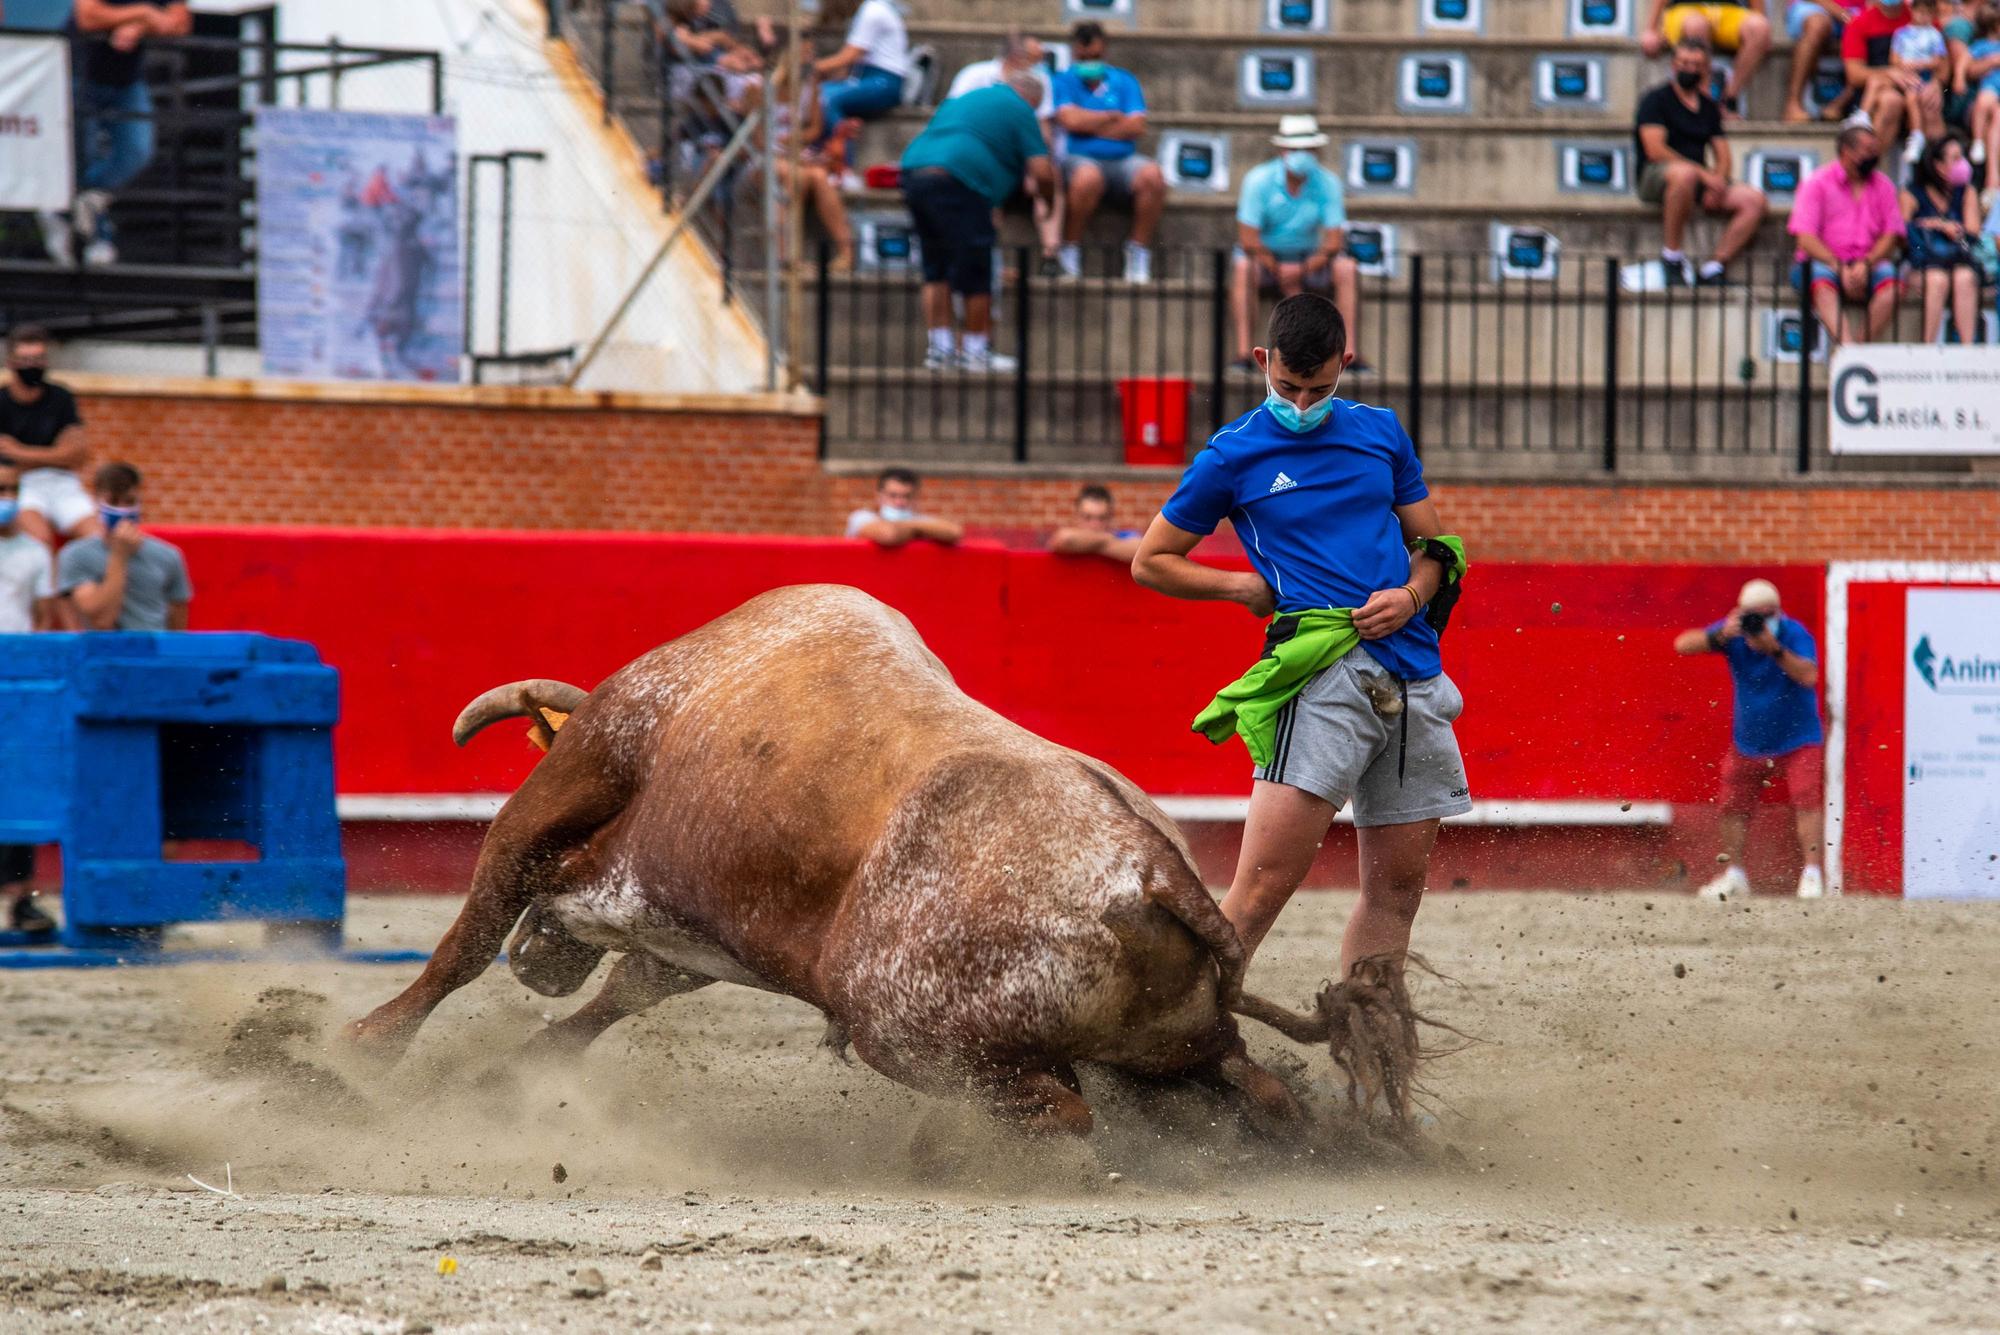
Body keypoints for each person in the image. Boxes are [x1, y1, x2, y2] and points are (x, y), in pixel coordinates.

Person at [1130, 293, 1471, 996]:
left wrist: (1411, 594)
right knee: (1258, 892)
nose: (1303, 401)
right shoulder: (1233, 452)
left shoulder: (1381, 431)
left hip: (1412, 679)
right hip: (1323, 676)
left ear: (1346, 364)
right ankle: (1177, 1051)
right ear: (1263, 363)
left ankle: (1372, 1080)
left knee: (1396, 896)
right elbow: (1152, 558)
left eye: (1319, 388)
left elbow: (1434, 547)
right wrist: (1238, 588)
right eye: (1287, 386)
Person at [1673, 579, 1826, 900]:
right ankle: (1735, 873)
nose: (1761, 622)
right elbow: (1682, 644)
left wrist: (1773, 648)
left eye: (1768, 614)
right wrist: (1719, 635)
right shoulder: (1734, 633)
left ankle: (1812, 874)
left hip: (1799, 737)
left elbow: (1809, 675)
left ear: (1778, 612)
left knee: (1807, 800)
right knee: (1731, 806)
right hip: (1749, 740)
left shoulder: (1793, 633)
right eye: (1755, 616)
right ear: (1742, 614)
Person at [899, 73, 1055, 372]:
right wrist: (1048, 202)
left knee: (936, 267)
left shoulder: (965, 99)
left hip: (913, 171)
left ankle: (940, 350)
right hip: (958, 179)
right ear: (1031, 98)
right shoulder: (1020, 107)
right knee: (977, 270)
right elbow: (1042, 171)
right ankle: (975, 351)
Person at [56, 0, 193, 266]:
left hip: (125, 82)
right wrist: (144, 13)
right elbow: (87, 16)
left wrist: (137, 25)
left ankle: (66, 208)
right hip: (78, 71)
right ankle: (93, 234)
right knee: (84, 155)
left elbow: (180, 22)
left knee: (136, 151)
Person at [1227, 116, 1367, 374]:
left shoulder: (1328, 183)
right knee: (1243, 268)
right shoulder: (1257, 180)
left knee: (1347, 268)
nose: (1302, 155)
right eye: (1295, 149)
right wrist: (1279, 269)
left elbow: (1333, 242)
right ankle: (1244, 354)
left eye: (1308, 149)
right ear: (1282, 150)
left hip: (1311, 260)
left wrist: (1300, 270)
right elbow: (1248, 240)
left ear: (1316, 151)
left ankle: (1350, 354)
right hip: (1265, 260)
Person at [1634, 41, 1769, 285]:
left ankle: (1714, 267)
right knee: (1684, 174)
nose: (1689, 69)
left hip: (1696, 180)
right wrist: (1704, 176)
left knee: (1754, 200)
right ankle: (1672, 257)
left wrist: (1717, 181)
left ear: (1705, 69)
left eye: (1696, 65)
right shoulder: (1655, 99)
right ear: (1673, 65)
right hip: (1657, 177)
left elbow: (1723, 154)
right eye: (1684, 63)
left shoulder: (1708, 108)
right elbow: (1655, 150)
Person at [1052, 22, 1165, 284]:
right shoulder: (1062, 80)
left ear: (1105, 51)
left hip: (1123, 161)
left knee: (1152, 175)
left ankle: (1138, 251)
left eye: (1095, 57)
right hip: (1078, 159)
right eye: (1084, 57)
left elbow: (1136, 125)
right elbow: (1069, 121)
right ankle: (1070, 248)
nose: (1090, 62)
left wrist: (1088, 124)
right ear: (1074, 52)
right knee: (1088, 178)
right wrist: (1111, 118)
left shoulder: (1125, 80)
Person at [947, 34, 1064, 273]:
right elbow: (954, 121)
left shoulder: (1038, 80)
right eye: (1033, 59)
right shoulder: (974, 76)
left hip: (1020, 160)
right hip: (980, 160)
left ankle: (1051, 256)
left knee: (1050, 175)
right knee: (986, 185)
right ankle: (988, 262)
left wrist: (1039, 168)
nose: (1037, 66)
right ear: (1016, 57)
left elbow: (1043, 132)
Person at [0, 461, 58, 935]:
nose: (7, 497)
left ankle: (20, 899)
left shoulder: (35, 552)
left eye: (12, 489)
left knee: (20, 787)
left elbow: (42, 619)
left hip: (15, 678)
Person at [1789, 124, 1906, 343]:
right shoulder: (1817, 182)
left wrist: (1867, 263)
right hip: (1822, 261)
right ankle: (1847, 347)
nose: (1874, 156)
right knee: (1822, 284)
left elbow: (1891, 234)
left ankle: (1857, 351)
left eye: (1875, 150)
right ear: (1846, 152)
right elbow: (1805, 238)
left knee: (1894, 284)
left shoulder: (1884, 186)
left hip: (1868, 262)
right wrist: (1838, 266)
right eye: (1867, 150)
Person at [56, 462, 191, 631]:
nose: (122, 509)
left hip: (150, 651)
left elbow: (178, 623)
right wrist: (119, 556)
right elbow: (101, 620)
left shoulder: (168, 555)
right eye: (113, 501)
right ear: (96, 501)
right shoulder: (76, 555)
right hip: (104, 653)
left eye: (129, 501)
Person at [0, 326, 101, 550]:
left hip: (63, 483)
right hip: (22, 486)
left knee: (96, 539)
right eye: (25, 359)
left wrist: (20, 452)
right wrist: (56, 454)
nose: (32, 366)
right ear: (11, 362)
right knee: (40, 542)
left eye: (38, 359)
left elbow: (77, 455)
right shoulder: (2, 401)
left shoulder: (60, 397)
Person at [1901, 133, 1985, 341]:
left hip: (1957, 260)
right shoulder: (1911, 193)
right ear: (1938, 165)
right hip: (1922, 265)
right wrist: (1937, 225)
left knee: (1964, 278)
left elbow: (1973, 232)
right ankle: (1927, 349)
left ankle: (1968, 350)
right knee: (1937, 280)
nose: (1963, 164)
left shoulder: (1966, 192)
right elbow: (1902, 231)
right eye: (1956, 159)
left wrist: (1955, 230)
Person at [1640, 0, 1773, 110]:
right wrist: (1651, 29)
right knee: (1696, 25)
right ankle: (1705, 102)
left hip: (1729, 9)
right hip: (1685, 8)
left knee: (1759, 27)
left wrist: (1763, 25)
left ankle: (1729, 100)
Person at [812, 0, 908, 145]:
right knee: (816, 95)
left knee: (826, 99)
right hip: (867, 78)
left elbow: (850, 55)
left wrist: (810, 68)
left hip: (884, 82)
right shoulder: (864, 12)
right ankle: (820, 152)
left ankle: (843, 161)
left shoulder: (873, 10)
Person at [1844, 0, 1933, 149]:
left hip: (1918, 84)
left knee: (1930, 101)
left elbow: (1943, 64)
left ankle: (1936, 166)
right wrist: (1890, 73)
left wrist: (1936, 83)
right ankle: (1869, 164)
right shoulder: (1859, 22)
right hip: (1878, 90)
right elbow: (1854, 75)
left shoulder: (1921, 17)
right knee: (1890, 101)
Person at [1890, 0, 1952, 160]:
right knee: (1911, 97)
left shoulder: (1935, 34)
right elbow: (1895, 60)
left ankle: (1942, 157)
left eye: (1928, 13)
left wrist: (1922, 64)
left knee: (1929, 105)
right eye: (1920, 12)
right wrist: (1905, 66)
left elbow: (1940, 62)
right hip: (1907, 79)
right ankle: (1917, 135)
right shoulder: (1901, 33)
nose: (1923, 16)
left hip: (1927, 79)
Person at [1785, 0, 1865, 121]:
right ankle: (1793, 104)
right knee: (1817, 25)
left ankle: (1838, 105)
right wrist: (1843, 15)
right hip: (1814, 7)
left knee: (1873, 30)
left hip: (1858, 11)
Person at [844, 467, 964, 547]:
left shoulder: (918, 519)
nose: (900, 502)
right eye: (893, 495)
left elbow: (954, 532)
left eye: (907, 496)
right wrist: (920, 530)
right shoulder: (861, 517)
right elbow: (888, 535)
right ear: (879, 496)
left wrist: (908, 527)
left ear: (915, 498)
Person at [1045, 484, 1142, 563]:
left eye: (1101, 518)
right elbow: (1064, 539)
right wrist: (1108, 541)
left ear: (1111, 517)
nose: (1094, 525)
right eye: (1087, 517)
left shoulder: (1125, 535)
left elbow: (1141, 552)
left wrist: (1090, 544)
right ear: (1076, 516)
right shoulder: (1114, 539)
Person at [1960, 2, 2000, 185]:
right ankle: (1978, 144)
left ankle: (1992, 181)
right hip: (1990, 91)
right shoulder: (1983, 46)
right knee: (1985, 105)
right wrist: (1991, 62)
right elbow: (1967, 64)